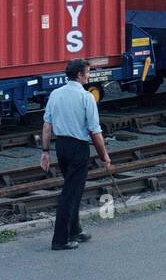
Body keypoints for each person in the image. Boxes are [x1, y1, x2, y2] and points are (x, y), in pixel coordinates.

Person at [40, 58, 113, 251]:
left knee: (74, 190)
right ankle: (60, 240)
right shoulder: (86, 97)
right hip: (78, 148)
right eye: (87, 73)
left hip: (61, 147)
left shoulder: (55, 94)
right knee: (70, 194)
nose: (88, 76)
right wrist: (104, 155)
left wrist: (45, 152)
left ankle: (75, 230)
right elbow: (94, 131)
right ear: (80, 75)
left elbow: (47, 126)